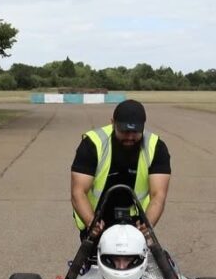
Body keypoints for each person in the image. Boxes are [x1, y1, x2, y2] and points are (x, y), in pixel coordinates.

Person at [70, 99, 171, 241]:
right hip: (96, 217)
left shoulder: (156, 147)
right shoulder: (92, 144)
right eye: (124, 131)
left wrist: (147, 224)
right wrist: (91, 223)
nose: (130, 137)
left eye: (135, 131)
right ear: (112, 123)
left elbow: (158, 194)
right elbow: (78, 192)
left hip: (136, 220)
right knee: (92, 261)